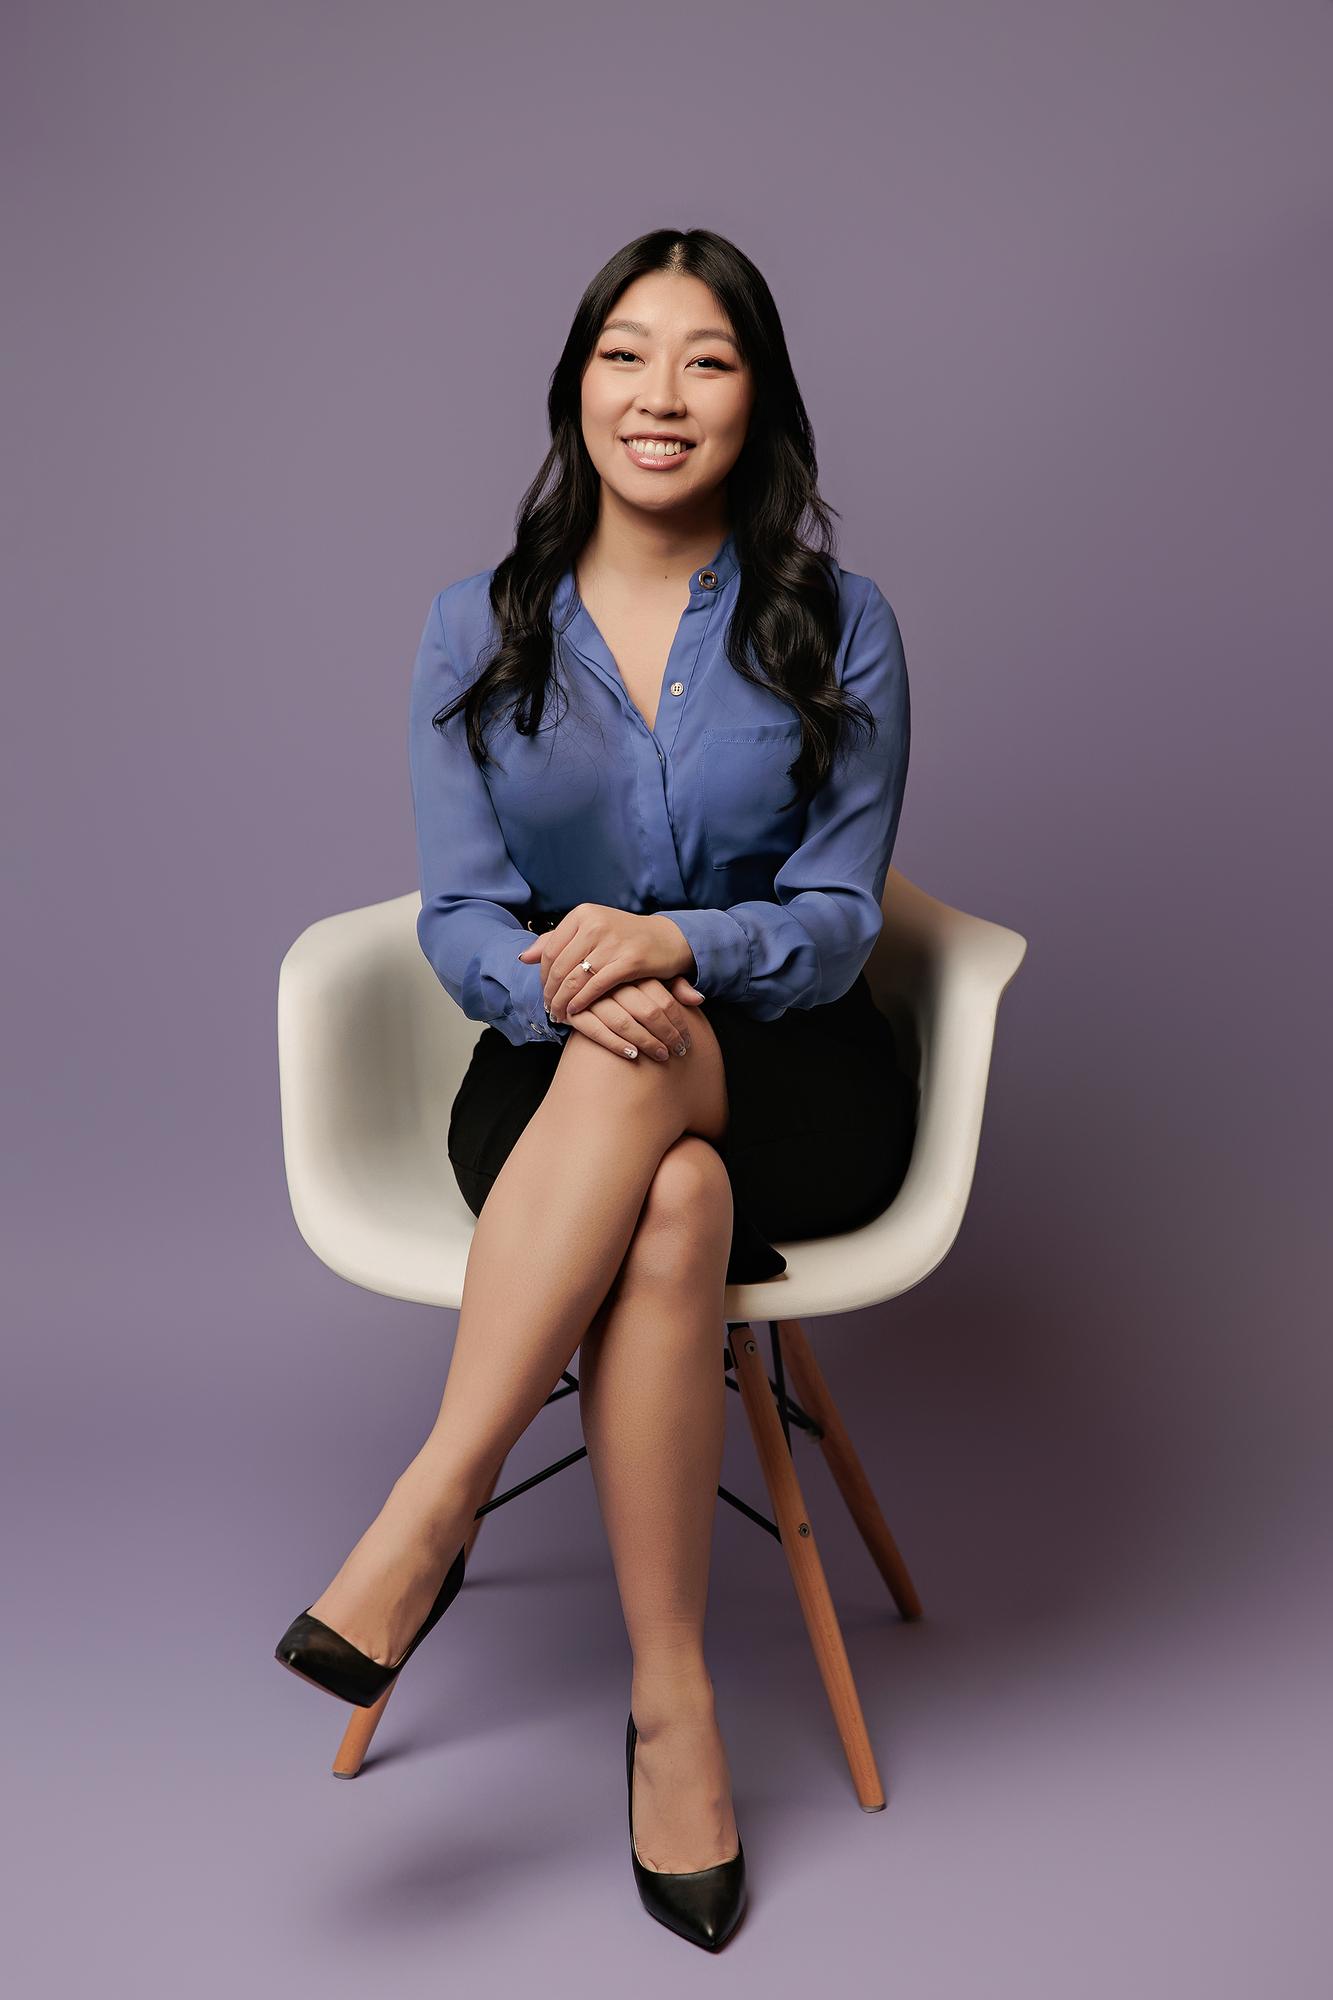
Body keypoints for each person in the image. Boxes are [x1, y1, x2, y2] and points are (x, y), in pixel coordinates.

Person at [275, 227, 917, 1953]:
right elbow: (462, 914)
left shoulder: (838, 624)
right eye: (626, 353)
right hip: (561, 1079)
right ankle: (673, 1710)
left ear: (757, 397)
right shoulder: (474, 628)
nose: (661, 394)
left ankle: (433, 1505)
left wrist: (669, 947)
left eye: (705, 359)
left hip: (796, 1069)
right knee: (670, 1199)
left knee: (697, 1135)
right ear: (575, 385)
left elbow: (841, 921)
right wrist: (566, 977)